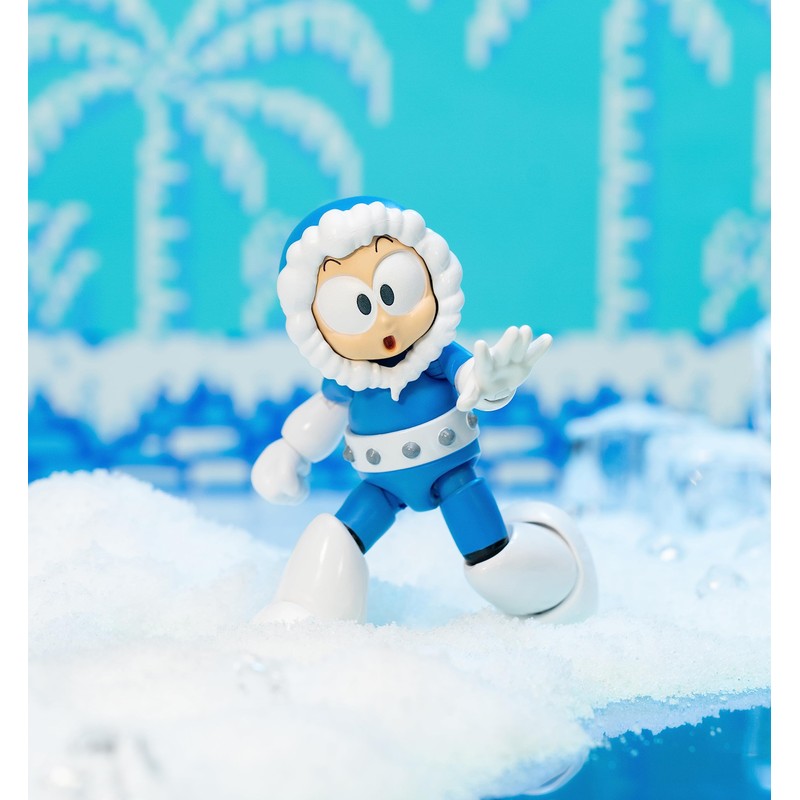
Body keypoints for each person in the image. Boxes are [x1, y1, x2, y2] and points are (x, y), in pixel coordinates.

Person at [252, 196, 597, 623]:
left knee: (490, 555)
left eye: (395, 291)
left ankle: (548, 589)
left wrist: (489, 384)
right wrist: (290, 451)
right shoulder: (350, 379)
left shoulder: (436, 357)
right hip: (382, 484)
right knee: (339, 536)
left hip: (452, 476)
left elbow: (470, 378)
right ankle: (311, 610)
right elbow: (323, 411)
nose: (384, 322)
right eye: (355, 308)